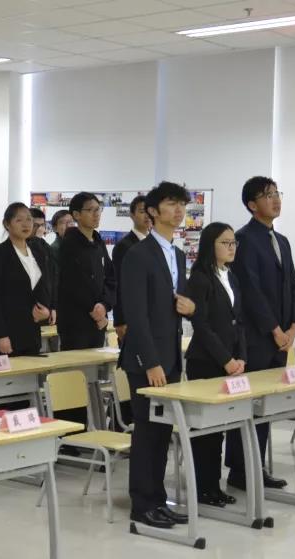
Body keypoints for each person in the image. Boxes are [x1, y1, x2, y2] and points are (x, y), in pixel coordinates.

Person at [120, 181, 195, 529]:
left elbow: (174, 304)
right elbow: (135, 315)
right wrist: (151, 362)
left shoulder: (177, 254)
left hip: (170, 355)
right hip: (145, 360)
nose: (178, 210)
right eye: (171, 203)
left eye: (182, 204)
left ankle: (158, 499)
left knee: (163, 432)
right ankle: (142, 503)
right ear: (152, 211)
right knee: (146, 432)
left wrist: (188, 307)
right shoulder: (139, 255)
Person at [225, 176, 295, 491]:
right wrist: (274, 329)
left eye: (276, 193)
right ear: (252, 204)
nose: (275, 199)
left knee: (266, 406)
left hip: (281, 339)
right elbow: (251, 292)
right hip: (256, 338)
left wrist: (293, 326)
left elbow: (292, 285)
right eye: (268, 195)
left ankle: (256, 467)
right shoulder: (243, 239)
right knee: (248, 405)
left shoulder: (281, 240)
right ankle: (240, 470)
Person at [185, 222, 246, 507]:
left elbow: (239, 321)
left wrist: (241, 357)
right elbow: (202, 325)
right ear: (211, 245)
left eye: (234, 243)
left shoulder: (231, 276)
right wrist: (226, 360)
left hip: (231, 361)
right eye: (225, 243)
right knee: (205, 432)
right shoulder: (200, 278)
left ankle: (214, 486)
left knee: (220, 426)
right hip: (206, 362)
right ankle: (203, 487)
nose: (231, 248)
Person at [0, 203, 56, 357]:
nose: (26, 224)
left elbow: (43, 286)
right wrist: (1, 335)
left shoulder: (38, 251)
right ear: (7, 224)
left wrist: (47, 309)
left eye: (29, 219)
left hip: (31, 330)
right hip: (5, 333)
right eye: (19, 220)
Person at [58, 192, 115, 350]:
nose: (96, 214)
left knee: (97, 362)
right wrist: (94, 310)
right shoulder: (69, 244)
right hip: (76, 321)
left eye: (98, 209)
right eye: (90, 210)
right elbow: (72, 283)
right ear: (76, 214)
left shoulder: (98, 241)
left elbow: (110, 277)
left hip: (99, 318)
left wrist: (104, 305)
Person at [111, 195, 149, 342]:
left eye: (150, 211)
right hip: (131, 316)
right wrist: (120, 320)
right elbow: (118, 284)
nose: (147, 216)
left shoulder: (156, 244)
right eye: (142, 211)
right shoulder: (124, 246)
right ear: (132, 215)